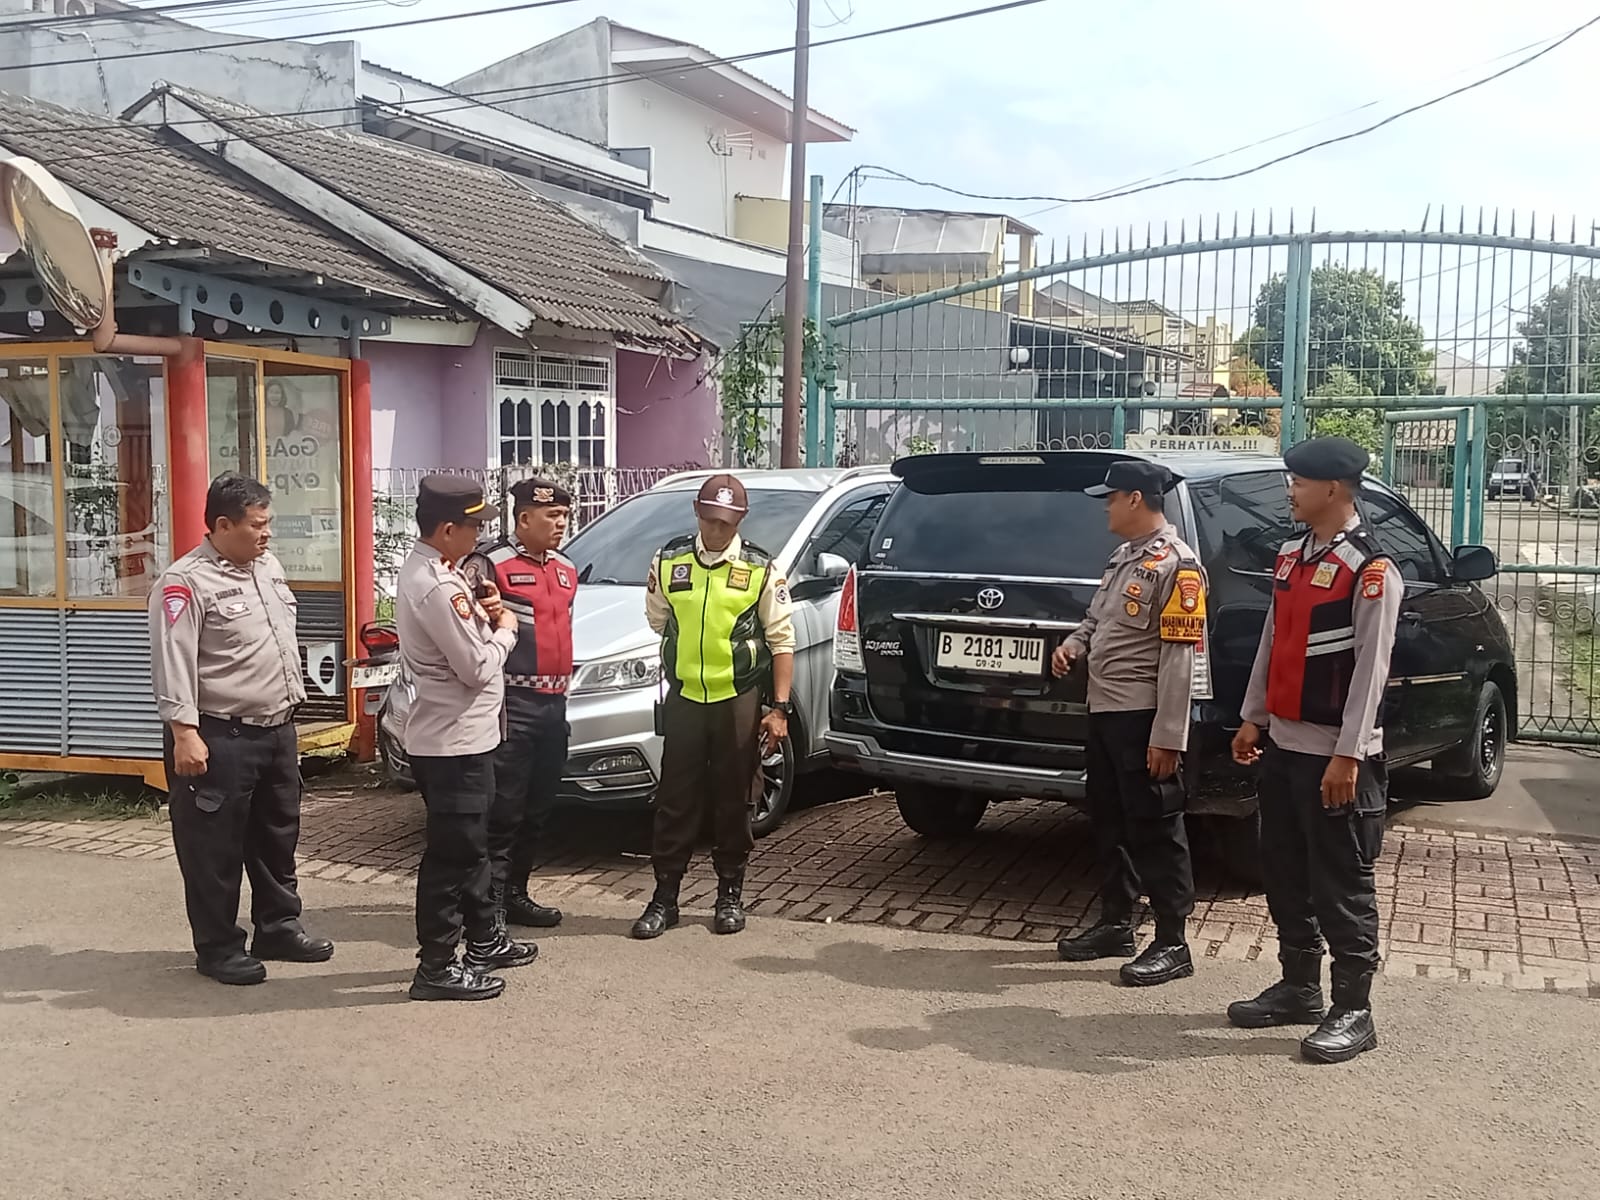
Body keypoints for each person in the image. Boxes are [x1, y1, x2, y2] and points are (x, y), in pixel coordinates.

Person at [1229, 436, 1401, 1064]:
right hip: (1284, 745)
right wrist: (1253, 718)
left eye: (1299, 482)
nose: (1290, 491)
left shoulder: (1371, 569)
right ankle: (1298, 986)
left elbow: (1371, 672)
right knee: (1284, 870)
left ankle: (1353, 1008)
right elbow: (1273, 642)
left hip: (1336, 756)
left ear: (1333, 489)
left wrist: (1348, 755)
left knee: (1341, 882)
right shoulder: (1292, 556)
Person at [149, 472, 332, 986]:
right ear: (222, 525)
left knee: (277, 838)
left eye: (268, 522)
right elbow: (173, 660)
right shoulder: (186, 582)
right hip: (218, 735)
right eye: (257, 524)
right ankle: (218, 947)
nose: (266, 533)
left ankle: (278, 927)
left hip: (276, 729)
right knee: (214, 849)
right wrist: (184, 732)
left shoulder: (266, 567)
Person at [1051, 459, 1206, 987]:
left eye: (1112, 498)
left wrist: (1168, 736)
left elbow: (1181, 658)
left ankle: (1172, 942)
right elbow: (1097, 620)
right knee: (1110, 821)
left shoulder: (1178, 565)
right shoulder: (1123, 558)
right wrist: (1074, 644)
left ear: (1136, 499)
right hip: (1105, 711)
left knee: (1156, 826)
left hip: (1143, 717)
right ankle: (1116, 924)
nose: (1106, 508)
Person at [631, 474, 795, 940]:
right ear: (697, 514)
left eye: (726, 522)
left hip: (737, 698)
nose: (717, 530)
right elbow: (658, 619)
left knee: (735, 798)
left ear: (740, 520)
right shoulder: (670, 560)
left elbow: (782, 641)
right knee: (674, 799)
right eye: (709, 520)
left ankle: (729, 894)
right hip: (685, 696)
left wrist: (778, 709)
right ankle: (665, 898)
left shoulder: (761, 568)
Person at [395, 475, 538, 1002]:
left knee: (472, 848)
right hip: (450, 742)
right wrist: (507, 630)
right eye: (474, 526)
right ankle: (436, 966)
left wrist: (488, 610)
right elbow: (476, 666)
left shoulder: (444, 573)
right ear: (447, 529)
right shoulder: (436, 586)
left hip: (467, 737)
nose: (480, 535)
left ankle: (483, 939)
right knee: (451, 857)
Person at [461, 477, 578, 934]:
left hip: (554, 703)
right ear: (524, 518)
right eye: (552, 516)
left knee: (538, 807)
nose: (561, 524)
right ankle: (488, 905)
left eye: (564, 516)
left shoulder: (566, 568)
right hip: (512, 701)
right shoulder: (491, 564)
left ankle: (516, 894)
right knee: (504, 809)